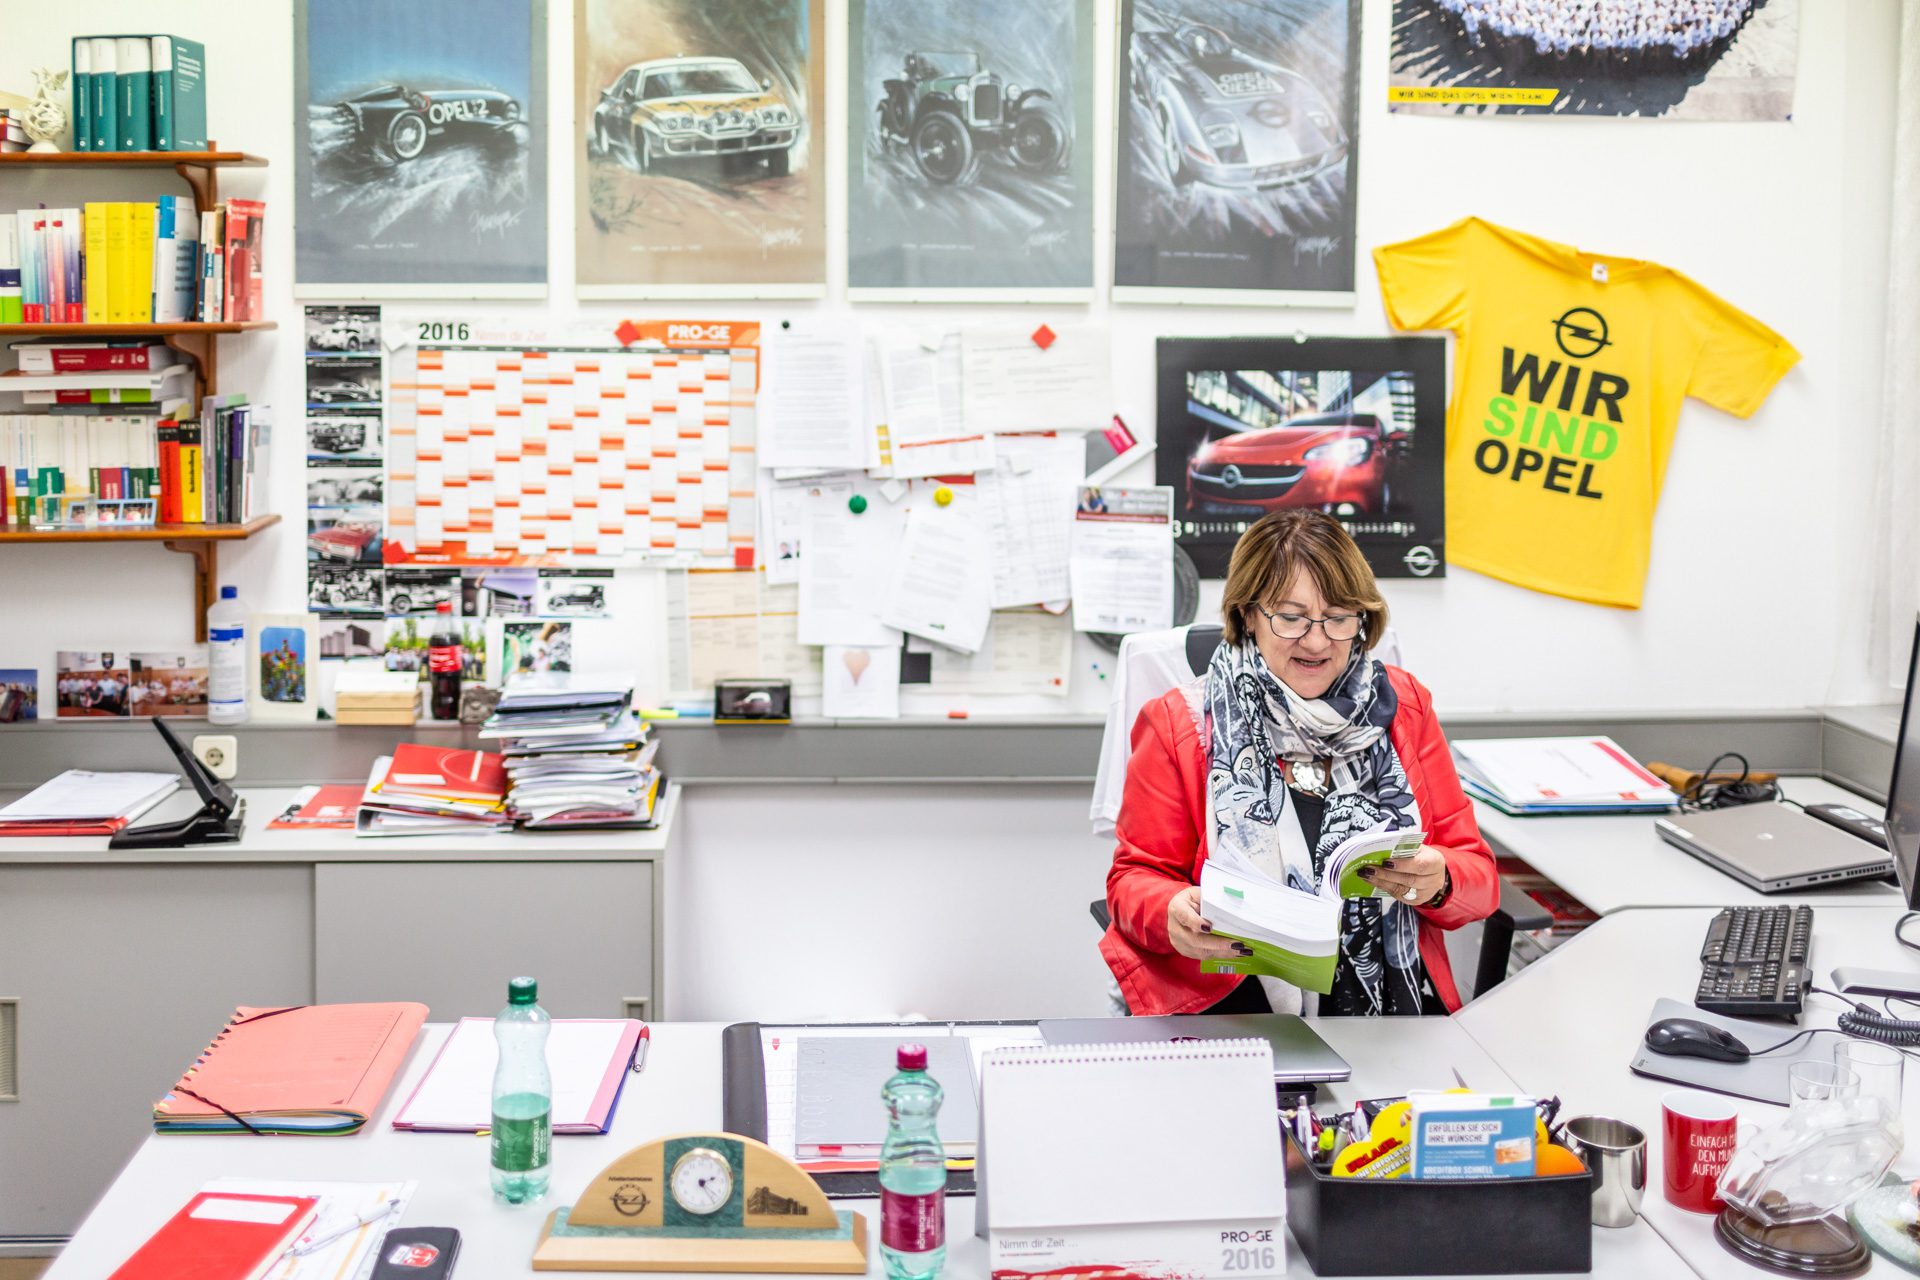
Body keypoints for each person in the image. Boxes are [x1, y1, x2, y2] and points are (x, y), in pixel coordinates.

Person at [1100, 510, 1497, 1017]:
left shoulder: (1403, 707)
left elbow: (1479, 876)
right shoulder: (1180, 723)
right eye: (1290, 617)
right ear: (1247, 615)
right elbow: (1134, 880)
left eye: (1338, 616)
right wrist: (1169, 911)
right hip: (1238, 1002)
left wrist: (1440, 878)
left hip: (1391, 1001)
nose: (1316, 640)